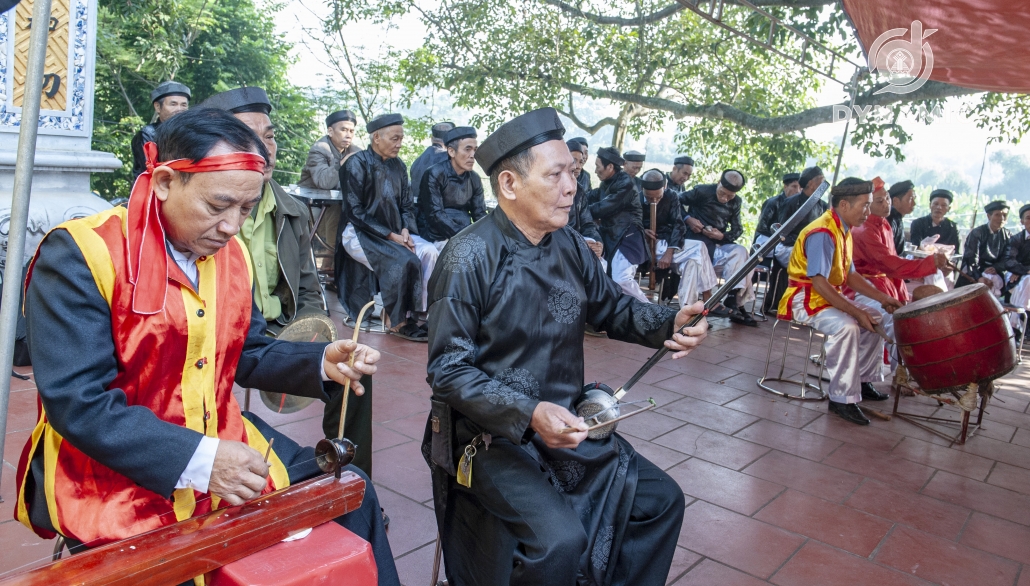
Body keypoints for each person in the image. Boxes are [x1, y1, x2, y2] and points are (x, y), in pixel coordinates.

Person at [13, 108, 399, 585]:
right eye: (218, 206)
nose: (233, 226)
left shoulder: (229, 256)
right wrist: (200, 460)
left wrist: (319, 361)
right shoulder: (80, 255)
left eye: (245, 209)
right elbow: (80, 404)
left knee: (352, 494)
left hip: (221, 434)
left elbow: (246, 349)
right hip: (110, 469)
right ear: (165, 182)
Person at [423, 107, 708, 586]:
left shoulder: (570, 245)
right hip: (490, 437)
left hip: (565, 425)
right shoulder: (468, 256)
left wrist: (669, 321)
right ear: (510, 184)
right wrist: (530, 412)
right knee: (557, 540)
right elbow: (448, 370)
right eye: (555, 175)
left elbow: (612, 310)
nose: (571, 186)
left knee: (662, 501)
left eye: (573, 173)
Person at [778, 178, 903, 425]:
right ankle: (841, 399)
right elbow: (819, 282)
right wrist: (855, 311)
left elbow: (850, 275)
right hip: (804, 298)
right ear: (844, 205)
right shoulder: (824, 231)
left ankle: (863, 381)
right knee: (847, 326)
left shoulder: (843, 228)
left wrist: (884, 298)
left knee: (876, 316)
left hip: (824, 295)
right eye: (865, 205)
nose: (868, 212)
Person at [202, 87, 326, 335]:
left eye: (269, 137)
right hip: (218, 335)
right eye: (246, 137)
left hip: (276, 330)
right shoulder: (197, 212)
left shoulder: (292, 212)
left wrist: (309, 334)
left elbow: (307, 290)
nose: (264, 149)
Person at [336, 113, 439, 341]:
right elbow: (355, 211)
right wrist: (391, 235)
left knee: (430, 252)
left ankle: (418, 314)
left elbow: (405, 204)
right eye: (394, 139)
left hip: (396, 234)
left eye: (401, 138)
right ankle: (398, 320)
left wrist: (404, 230)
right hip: (360, 234)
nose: (399, 144)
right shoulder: (356, 163)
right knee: (404, 260)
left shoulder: (399, 166)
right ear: (376, 137)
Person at [845, 179, 949, 372]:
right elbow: (889, 263)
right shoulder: (865, 229)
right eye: (879, 201)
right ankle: (901, 374)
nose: (886, 204)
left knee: (899, 318)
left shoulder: (883, 223)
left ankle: (885, 374)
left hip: (881, 283)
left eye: (886, 199)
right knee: (893, 321)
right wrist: (929, 263)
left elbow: (890, 263)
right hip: (860, 286)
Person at [680, 170, 756, 326]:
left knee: (741, 252)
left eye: (730, 196)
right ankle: (702, 308)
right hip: (696, 241)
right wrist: (688, 219)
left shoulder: (736, 202)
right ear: (718, 183)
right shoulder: (702, 191)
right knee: (699, 252)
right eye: (723, 193)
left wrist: (722, 236)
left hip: (718, 243)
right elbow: (674, 202)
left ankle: (733, 299)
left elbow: (737, 229)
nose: (725, 198)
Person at [641, 169, 717, 306]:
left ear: (664, 187)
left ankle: (687, 310)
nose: (654, 201)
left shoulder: (671, 196)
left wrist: (669, 253)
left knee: (692, 264)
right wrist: (642, 231)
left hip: (669, 245)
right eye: (649, 197)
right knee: (699, 247)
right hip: (647, 247)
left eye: (658, 197)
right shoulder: (635, 198)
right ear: (642, 189)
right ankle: (708, 296)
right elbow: (630, 223)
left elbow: (679, 225)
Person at [298, 109, 362, 267]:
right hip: (313, 206)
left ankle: (338, 271)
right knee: (339, 214)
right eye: (344, 130)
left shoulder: (356, 151)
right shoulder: (319, 149)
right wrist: (343, 163)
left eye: (352, 131)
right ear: (330, 131)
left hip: (339, 205)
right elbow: (324, 182)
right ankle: (332, 268)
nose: (348, 135)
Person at [588, 146, 648, 303]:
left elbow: (603, 208)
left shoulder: (626, 185)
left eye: (597, 166)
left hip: (627, 238)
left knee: (621, 279)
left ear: (609, 167)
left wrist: (580, 212)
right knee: (607, 279)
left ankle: (652, 311)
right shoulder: (606, 183)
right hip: (610, 238)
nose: (595, 171)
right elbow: (590, 197)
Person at [417, 126, 487, 248]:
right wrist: (466, 237)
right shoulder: (434, 174)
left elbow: (479, 213)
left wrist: (488, 235)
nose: (473, 155)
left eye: (475, 150)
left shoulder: (474, 178)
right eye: (467, 149)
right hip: (436, 235)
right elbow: (435, 215)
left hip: (464, 233)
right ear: (451, 151)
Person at [130, 81, 190, 181]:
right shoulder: (148, 134)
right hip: (157, 189)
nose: (179, 109)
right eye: (173, 104)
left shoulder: (192, 134)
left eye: (183, 105)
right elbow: (150, 171)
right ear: (158, 107)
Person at [772, 166, 828, 268]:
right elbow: (782, 234)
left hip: (811, 247)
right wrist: (803, 243)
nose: (824, 183)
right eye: (822, 180)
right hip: (788, 247)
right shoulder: (791, 203)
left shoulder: (823, 206)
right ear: (811, 183)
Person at [959, 200, 1012, 295]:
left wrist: (996, 267)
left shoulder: (1007, 235)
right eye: (997, 215)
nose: (1001, 218)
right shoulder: (977, 233)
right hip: (975, 270)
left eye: (1004, 215)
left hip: (995, 270)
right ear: (989, 216)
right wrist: (979, 277)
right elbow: (971, 259)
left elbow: (1007, 257)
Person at [567, 140, 604, 260]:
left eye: (581, 162)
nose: (578, 166)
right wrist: (580, 244)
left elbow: (587, 223)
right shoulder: (548, 188)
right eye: (574, 161)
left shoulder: (580, 190)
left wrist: (597, 242)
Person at [410, 121, 455, 204]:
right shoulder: (449, 160)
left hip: (416, 212)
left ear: (432, 138)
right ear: (451, 140)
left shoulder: (417, 161)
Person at [754, 172, 801, 249]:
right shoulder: (773, 202)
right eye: (794, 187)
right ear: (785, 187)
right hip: (768, 239)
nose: (798, 191)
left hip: (788, 241)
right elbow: (762, 227)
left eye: (800, 188)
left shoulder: (800, 205)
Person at [1005, 203, 1030, 340]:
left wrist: (1022, 271)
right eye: (1028, 218)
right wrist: (1024, 271)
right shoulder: (1016, 239)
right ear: (1022, 221)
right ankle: (1019, 323)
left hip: (1021, 274)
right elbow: (1009, 261)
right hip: (1015, 276)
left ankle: (1016, 325)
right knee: (1027, 282)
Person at [909, 188, 961, 253]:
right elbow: (915, 247)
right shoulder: (918, 223)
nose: (939, 207)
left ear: (949, 208)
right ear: (930, 205)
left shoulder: (952, 227)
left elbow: (955, 252)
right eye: (936, 204)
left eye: (944, 205)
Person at [887, 180, 916, 255]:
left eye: (914, 198)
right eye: (910, 199)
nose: (914, 203)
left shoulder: (897, 218)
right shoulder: (890, 219)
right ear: (896, 201)